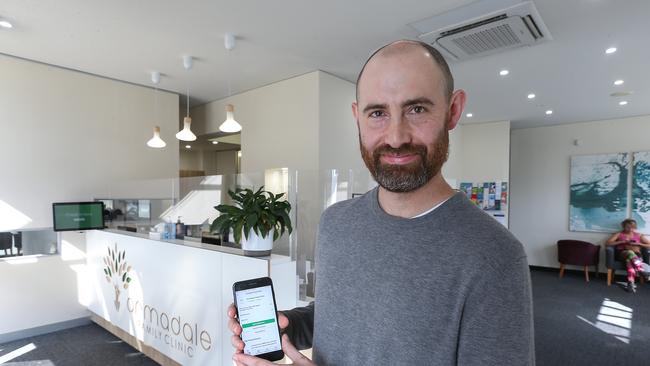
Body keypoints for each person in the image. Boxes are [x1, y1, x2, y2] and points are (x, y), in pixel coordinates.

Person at [228, 39, 534, 366]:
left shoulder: (495, 255)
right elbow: (338, 317)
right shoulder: (336, 222)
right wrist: (290, 324)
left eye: (417, 109)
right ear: (357, 117)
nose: (396, 137)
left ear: (453, 111)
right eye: (377, 113)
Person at [606, 218, 650, 292]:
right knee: (629, 252)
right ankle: (642, 270)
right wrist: (621, 242)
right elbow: (607, 243)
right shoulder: (619, 234)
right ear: (624, 226)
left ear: (635, 227)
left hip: (636, 255)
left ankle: (630, 283)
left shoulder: (639, 235)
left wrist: (638, 244)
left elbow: (649, 245)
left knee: (629, 261)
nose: (630, 229)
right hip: (623, 253)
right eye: (628, 227)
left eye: (632, 227)